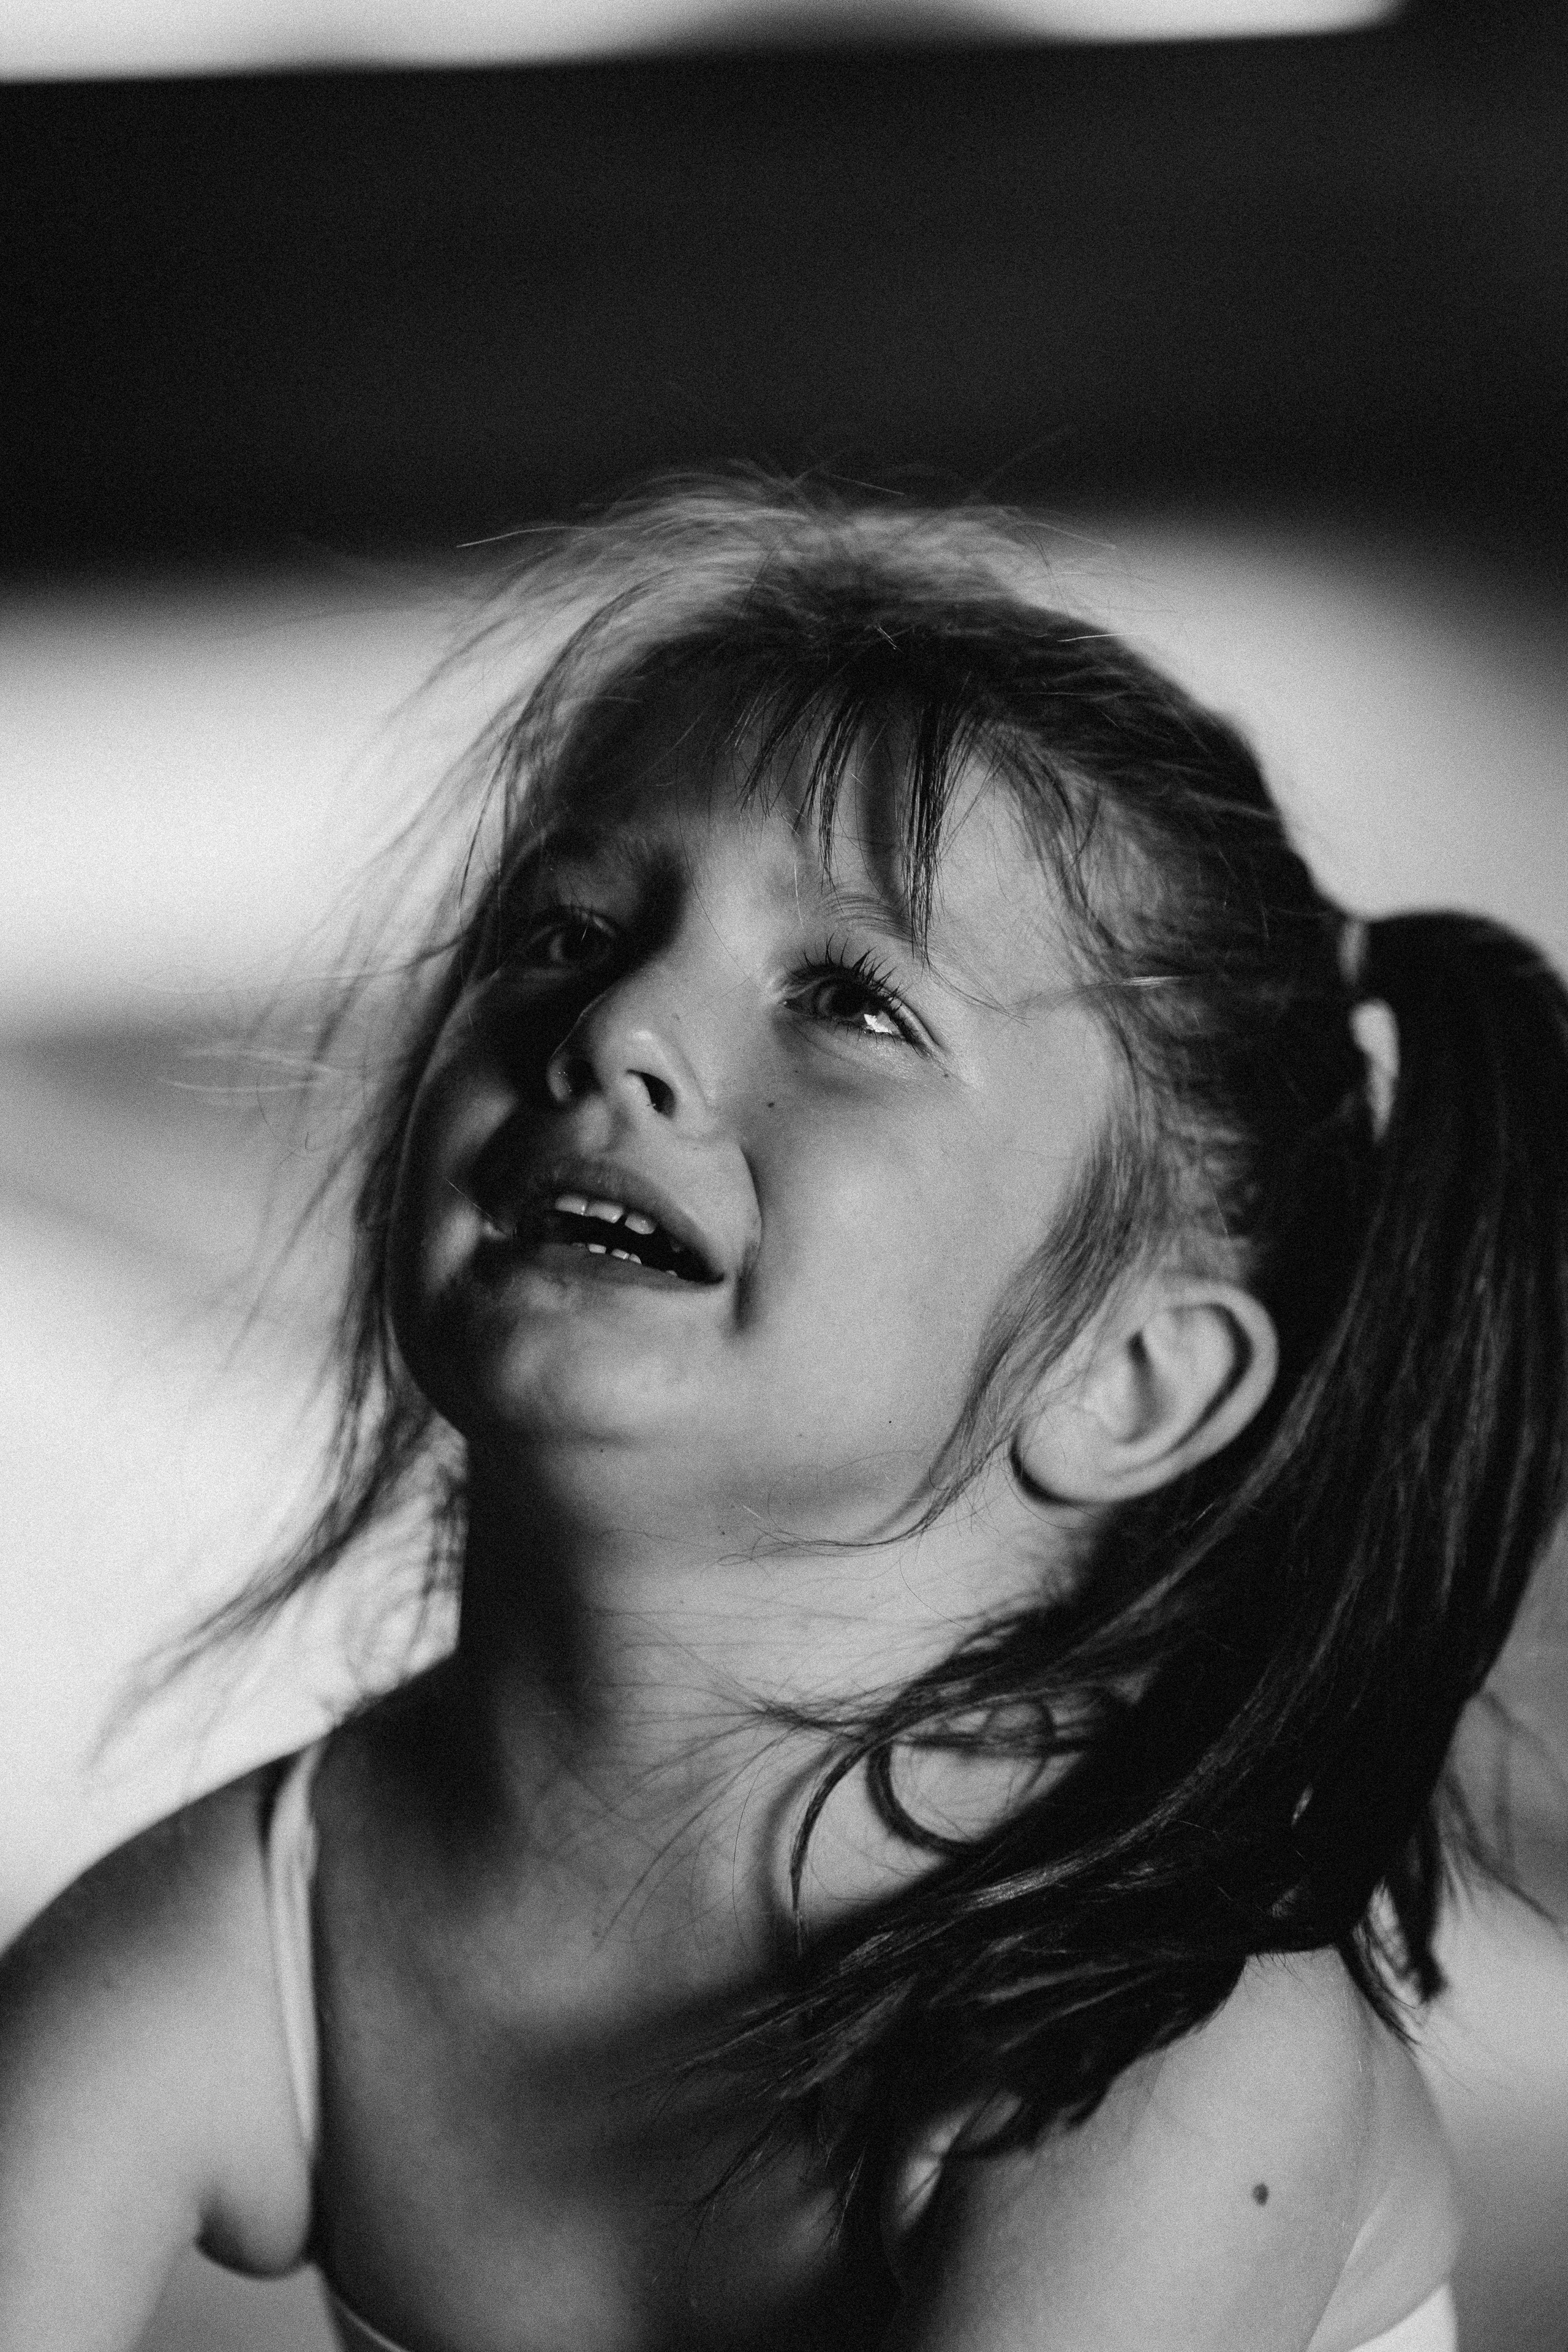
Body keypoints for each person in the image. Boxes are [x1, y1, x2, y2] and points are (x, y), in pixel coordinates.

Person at [2, 484, 1564, 2352]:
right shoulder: (267, 1936)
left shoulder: (1160, 2052)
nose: (618, 1026)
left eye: (849, 1000)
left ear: (1129, 1380)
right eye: (567, 931)